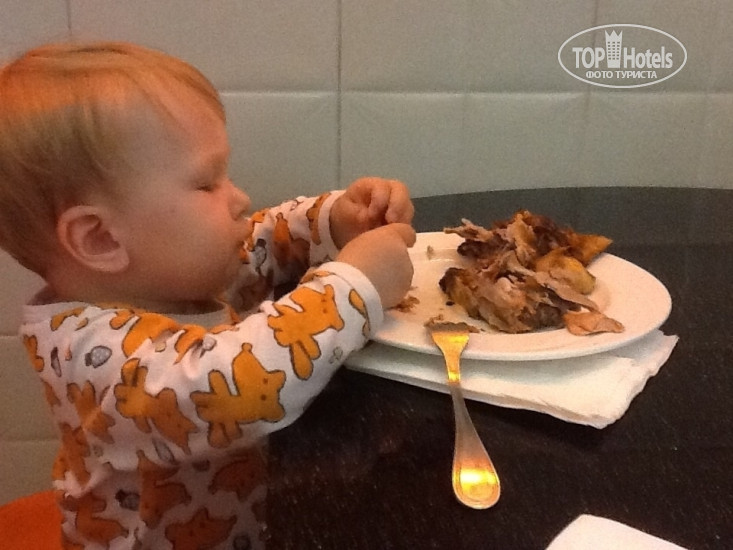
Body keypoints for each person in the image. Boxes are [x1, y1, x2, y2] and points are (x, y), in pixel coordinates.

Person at [0, 41, 415, 549]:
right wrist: (352, 286)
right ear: (101, 239)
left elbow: (260, 244)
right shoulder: (94, 357)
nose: (239, 197)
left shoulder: (167, 279)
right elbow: (234, 387)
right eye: (206, 184)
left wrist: (335, 219)